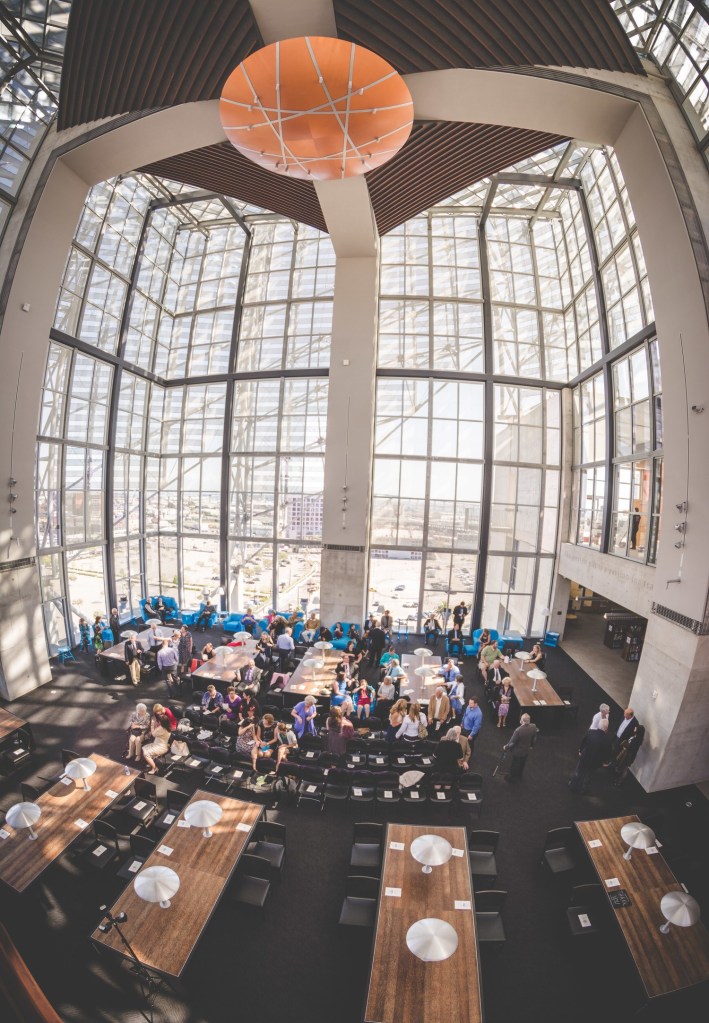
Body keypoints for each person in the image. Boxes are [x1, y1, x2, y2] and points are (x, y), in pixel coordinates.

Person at [569, 719, 610, 793]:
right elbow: (606, 753)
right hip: (595, 761)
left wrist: (580, 751)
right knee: (588, 775)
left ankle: (572, 785)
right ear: (606, 728)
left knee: (578, 771)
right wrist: (604, 762)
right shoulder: (607, 740)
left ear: (598, 725)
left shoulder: (590, 732)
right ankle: (583, 789)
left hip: (585, 757)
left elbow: (583, 742)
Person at [610, 712, 645, 786]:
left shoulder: (636, 739)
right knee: (624, 768)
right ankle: (618, 780)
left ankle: (619, 782)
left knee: (625, 769)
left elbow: (630, 747)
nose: (635, 728)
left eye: (636, 728)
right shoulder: (637, 738)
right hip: (629, 755)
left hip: (628, 756)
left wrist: (626, 744)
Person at [503, 712, 539, 782]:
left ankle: (511, 777)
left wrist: (506, 747)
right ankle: (519, 775)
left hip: (517, 751)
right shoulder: (534, 726)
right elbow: (534, 738)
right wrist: (531, 746)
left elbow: (512, 742)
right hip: (526, 750)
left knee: (515, 764)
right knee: (522, 763)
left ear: (522, 720)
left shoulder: (518, 730)